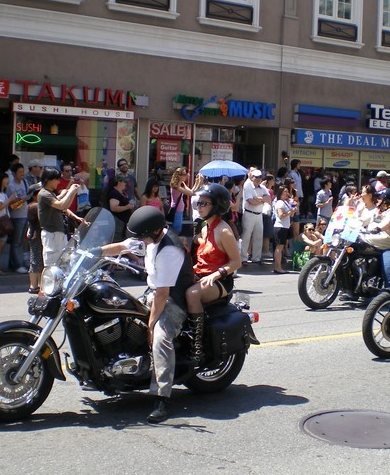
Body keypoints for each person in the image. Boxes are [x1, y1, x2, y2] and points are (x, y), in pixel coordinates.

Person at [103, 206, 194, 423]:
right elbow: (123, 246)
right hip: (154, 292)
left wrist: (152, 326)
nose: (139, 241)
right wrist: (92, 252)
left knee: (160, 339)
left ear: (153, 232)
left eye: (142, 236)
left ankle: (162, 397)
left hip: (173, 300)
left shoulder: (169, 249)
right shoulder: (149, 239)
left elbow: (163, 294)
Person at [184, 184, 242, 364]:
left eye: (204, 204)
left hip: (220, 281)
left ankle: (197, 346)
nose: (199, 207)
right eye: (198, 203)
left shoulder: (224, 231)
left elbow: (236, 262)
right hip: (200, 276)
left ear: (216, 206)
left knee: (192, 294)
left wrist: (215, 275)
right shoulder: (204, 227)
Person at [360, 188, 390, 291]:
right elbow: (363, 220)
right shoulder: (377, 211)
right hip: (373, 243)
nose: (377, 200)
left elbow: (388, 223)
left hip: (389, 247)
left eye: (379, 198)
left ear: (386, 200)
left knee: (388, 269)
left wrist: (378, 228)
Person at [38, 166, 80, 268]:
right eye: (56, 179)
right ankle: (47, 284)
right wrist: (70, 192)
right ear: (48, 180)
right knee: (50, 265)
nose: (58, 181)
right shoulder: (44, 194)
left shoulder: (51, 193)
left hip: (59, 232)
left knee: (64, 263)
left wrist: (72, 192)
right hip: (50, 233)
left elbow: (64, 207)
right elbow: (61, 205)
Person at [240, 170, 268, 263]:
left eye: (260, 177)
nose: (258, 179)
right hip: (249, 213)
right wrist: (262, 200)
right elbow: (250, 202)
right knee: (246, 236)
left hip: (259, 214)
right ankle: (243, 257)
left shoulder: (263, 187)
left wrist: (258, 199)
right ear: (252, 177)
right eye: (256, 177)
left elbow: (268, 199)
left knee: (258, 236)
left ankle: (256, 258)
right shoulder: (247, 186)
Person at [6, 162, 29, 273]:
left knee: (21, 241)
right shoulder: (11, 186)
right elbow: (13, 203)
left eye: (23, 172)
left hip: (25, 214)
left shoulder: (25, 182)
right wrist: (24, 199)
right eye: (20, 172)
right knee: (15, 242)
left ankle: (13, 263)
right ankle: (16, 265)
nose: (22, 174)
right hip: (16, 216)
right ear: (14, 174)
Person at [0, 173, 16, 275]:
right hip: (0, 221)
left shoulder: (3, 194)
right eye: (5, 178)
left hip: (4, 220)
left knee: (1, 245)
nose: (7, 180)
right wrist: (10, 200)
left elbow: (7, 206)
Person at [272, 185, 296, 273]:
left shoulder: (285, 202)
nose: (287, 193)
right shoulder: (279, 203)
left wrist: (293, 211)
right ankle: (277, 267)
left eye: (287, 191)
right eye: (285, 192)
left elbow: (290, 215)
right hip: (280, 227)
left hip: (285, 226)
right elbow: (281, 215)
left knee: (281, 247)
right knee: (279, 247)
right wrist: (290, 211)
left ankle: (279, 267)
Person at [26, 183, 44, 294]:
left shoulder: (35, 205)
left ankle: (37, 285)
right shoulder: (34, 206)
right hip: (36, 235)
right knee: (36, 261)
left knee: (38, 260)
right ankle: (34, 285)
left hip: (37, 235)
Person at [167, 167, 195, 233]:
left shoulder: (182, 184)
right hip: (177, 209)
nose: (186, 176)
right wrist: (198, 182)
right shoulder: (176, 186)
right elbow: (191, 193)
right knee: (177, 229)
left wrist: (197, 183)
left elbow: (191, 191)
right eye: (184, 174)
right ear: (179, 176)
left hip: (179, 208)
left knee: (177, 228)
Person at [108, 173, 135, 242]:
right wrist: (127, 206)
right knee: (117, 241)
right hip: (118, 223)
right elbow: (113, 208)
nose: (125, 184)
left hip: (124, 223)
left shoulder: (122, 192)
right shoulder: (114, 193)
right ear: (119, 182)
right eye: (124, 182)